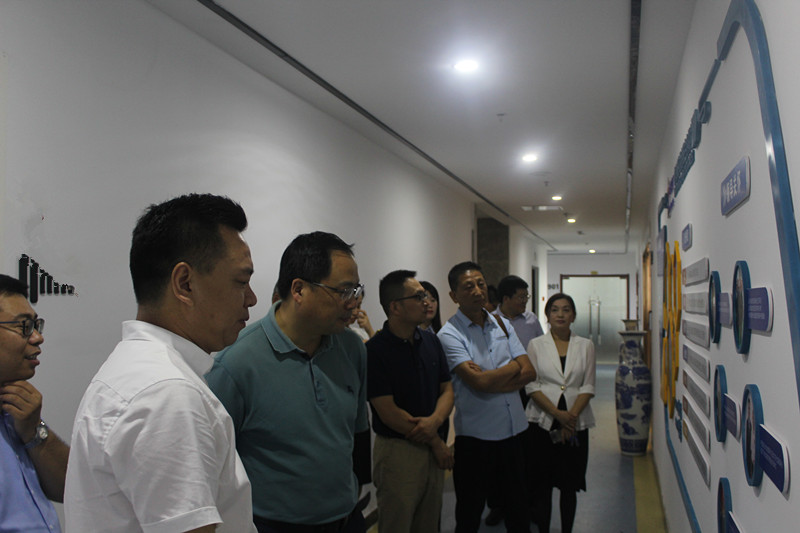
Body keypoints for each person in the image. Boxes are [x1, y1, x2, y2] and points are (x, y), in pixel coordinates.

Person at [65, 194, 258, 533]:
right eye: (241, 282)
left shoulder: (140, 370)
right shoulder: (168, 394)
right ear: (185, 284)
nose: (252, 299)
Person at [206, 231, 370, 533]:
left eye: (357, 290)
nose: (353, 303)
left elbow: (357, 430)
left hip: (347, 520)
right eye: (344, 291)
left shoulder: (351, 348)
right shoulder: (237, 364)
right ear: (299, 290)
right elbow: (212, 465)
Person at [438, 261, 535, 533]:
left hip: (514, 432)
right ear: (454, 296)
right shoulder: (449, 334)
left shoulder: (502, 324)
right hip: (476, 439)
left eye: (480, 284)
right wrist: (513, 367)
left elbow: (529, 371)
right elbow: (478, 382)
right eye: (468, 287)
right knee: (469, 515)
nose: (478, 291)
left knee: (519, 511)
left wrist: (495, 378)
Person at [367, 270, 454, 533]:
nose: (426, 301)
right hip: (399, 452)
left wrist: (435, 421)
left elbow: (447, 389)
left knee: (429, 524)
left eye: (426, 295)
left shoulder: (431, 341)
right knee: (397, 524)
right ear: (395, 307)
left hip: (432, 448)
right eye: (418, 297)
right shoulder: (375, 350)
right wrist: (436, 441)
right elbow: (389, 412)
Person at [0, 274, 69, 533]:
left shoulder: (16, 411)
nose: (38, 338)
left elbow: (69, 488)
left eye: (36, 325)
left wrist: (34, 430)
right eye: (24, 326)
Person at [525, 293, 596, 533]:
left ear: (573, 315)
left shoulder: (585, 345)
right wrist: (558, 414)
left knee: (569, 485)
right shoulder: (536, 345)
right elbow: (531, 386)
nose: (560, 315)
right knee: (542, 485)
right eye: (555, 310)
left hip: (576, 422)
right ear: (547, 315)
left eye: (566, 310)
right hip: (543, 421)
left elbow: (588, 386)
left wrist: (570, 418)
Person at [485, 274, 545, 526]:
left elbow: (542, 350)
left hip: (528, 389)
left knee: (526, 450)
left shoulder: (531, 321)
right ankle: (497, 505)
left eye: (526, 296)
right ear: (506, 298)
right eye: (521, 297)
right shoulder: (488, 321)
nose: (525, 301)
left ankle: (527, 503)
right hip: (499, 390)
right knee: (497, 451)